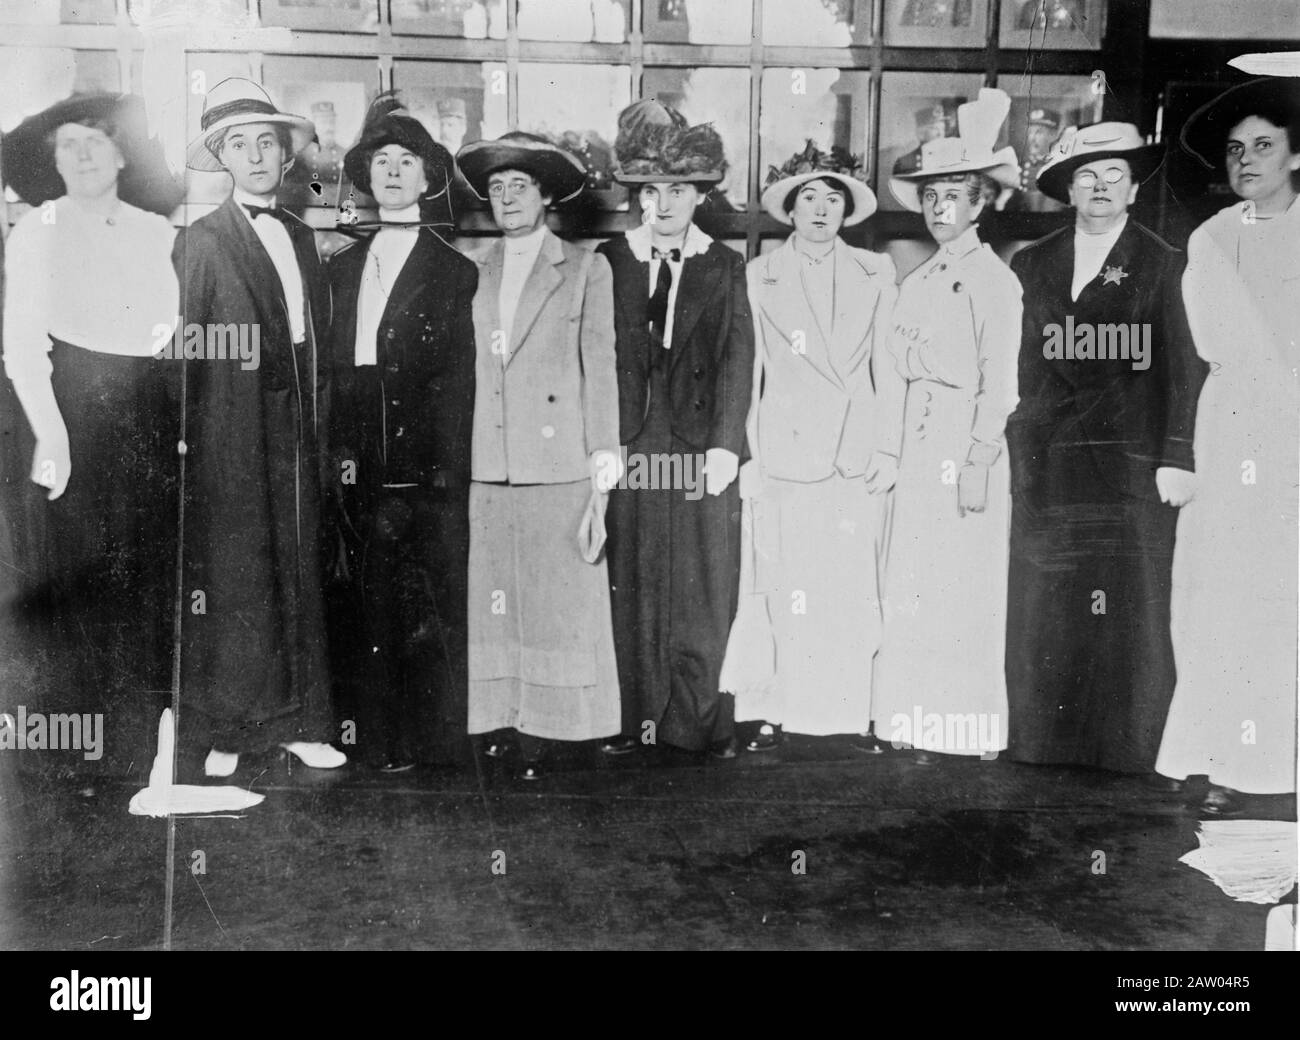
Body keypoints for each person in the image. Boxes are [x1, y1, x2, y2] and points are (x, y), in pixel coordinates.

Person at [1004, 122, 1207, 776]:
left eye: (1113, 173)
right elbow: (1023, 367)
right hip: (1050, 464)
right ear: (1067, 187)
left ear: (1134, 184)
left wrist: (1178, 453)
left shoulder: (1163, 263)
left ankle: (1124, 755)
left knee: (1128, 610)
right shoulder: (1032, 261)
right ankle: (1043, 747)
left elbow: (1183, 367)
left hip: (1129, 465)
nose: (1099, 186)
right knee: (1048, 607)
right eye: (1086, 175)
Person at [1, 93, 181, 768]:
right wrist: (52, 435)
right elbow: (23, 346)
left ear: (122, 155)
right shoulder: (38, 229)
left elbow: (173, 333)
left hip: (148, 415)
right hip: (69, 413)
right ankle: (81, 753)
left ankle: (145, 745)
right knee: (74, 578)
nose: (79, 156)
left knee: (146, 573)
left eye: (93, 143)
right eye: (66, 145)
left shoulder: (158, 233)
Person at [177, 78, 345, 779]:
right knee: (241, 577)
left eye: (266, 144)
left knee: (302, 570)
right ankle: (234, 731)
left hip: (298, 428)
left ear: (284, 159)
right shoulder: (202, 242)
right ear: (222, 158)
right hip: (232, 432)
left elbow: (316, 341)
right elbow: (186, 355)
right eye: (239, 145)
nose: (255, 157)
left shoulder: (304, 238)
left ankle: (304, 722)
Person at [720, 140, 901, 752]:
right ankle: (774, 712)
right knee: (781, 584)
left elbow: (888, 367)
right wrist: (749, 456)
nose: (820, 209)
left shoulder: (876, 271)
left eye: (832, 199)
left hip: (853, 451)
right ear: (789, 210)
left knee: (849, 588)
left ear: (847, 211)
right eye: (808, 199)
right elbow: (751, 372)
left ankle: (848, 716)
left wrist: (888, 449)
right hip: (786, 450)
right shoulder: (759, 275)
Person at [455, 131, 622, 780]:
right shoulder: (472, 264)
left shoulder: (585, 267)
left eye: (519, 185)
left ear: (547, 195)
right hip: (489, 461)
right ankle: (501, 721)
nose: (506, 198)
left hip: (559, 466)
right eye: (496, 188)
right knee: (496, 600)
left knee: (559, 605)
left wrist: (602, 474)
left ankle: (559, 732)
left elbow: (601, 372)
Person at [1155, 77, 1300, 815]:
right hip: (1229, 424)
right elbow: (1194, 351)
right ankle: (1218, 760)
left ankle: (1282, 762)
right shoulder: (1209, 238)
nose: (1247, 160)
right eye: (1237, 149)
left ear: (1294, 153)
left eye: (1264, 146)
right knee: (1216, 592)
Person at [597, 100, 754, 758]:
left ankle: (695, 722)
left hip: (696, 447)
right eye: (651, 192)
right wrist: (602, 443)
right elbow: (595, 356)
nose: (663, 205)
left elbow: (735, 357)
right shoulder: (610, 260)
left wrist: (725, 444)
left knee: (700, 579)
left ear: (699, 196)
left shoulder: (722, 265)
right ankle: (634, 719)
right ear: (637, 196)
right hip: (633, 440)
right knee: (632, 578)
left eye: (678, 191)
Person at [326, 92, 477, 772]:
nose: (391, 171)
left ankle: (431, 744)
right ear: (365, 176)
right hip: (361, 460)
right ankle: (374, 740)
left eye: (406, 160)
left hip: (424, 469)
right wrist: (342, 457)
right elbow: (338, 375)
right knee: (365, 603)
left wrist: (442, 470)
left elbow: (457, 383)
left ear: (427, 177)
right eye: (380, 160)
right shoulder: (341, 268)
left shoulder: (454, 270)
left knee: (428, 606)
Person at [874, 89, 1023, 763]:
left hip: (965, 443)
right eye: (931, 198)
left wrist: (977, 460)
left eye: (954, 198)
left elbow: (1003, 383)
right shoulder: (920, 278)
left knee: (966, 587)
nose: (940, 210)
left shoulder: (994, 281)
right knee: (916, 582)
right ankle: (914, 718)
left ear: (981, 204)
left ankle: (969, 727)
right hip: (918, 440)